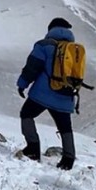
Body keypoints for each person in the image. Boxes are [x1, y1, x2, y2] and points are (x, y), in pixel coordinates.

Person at [16, 17, 77, 170]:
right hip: (65, 95)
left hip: (43, 94)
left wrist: (22, 85)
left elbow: (32, 67)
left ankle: (33, 148)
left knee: (26, 114)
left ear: (51, 29)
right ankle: (68, 159)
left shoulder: (44, 45)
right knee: (65, 127)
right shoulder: (74, 49)